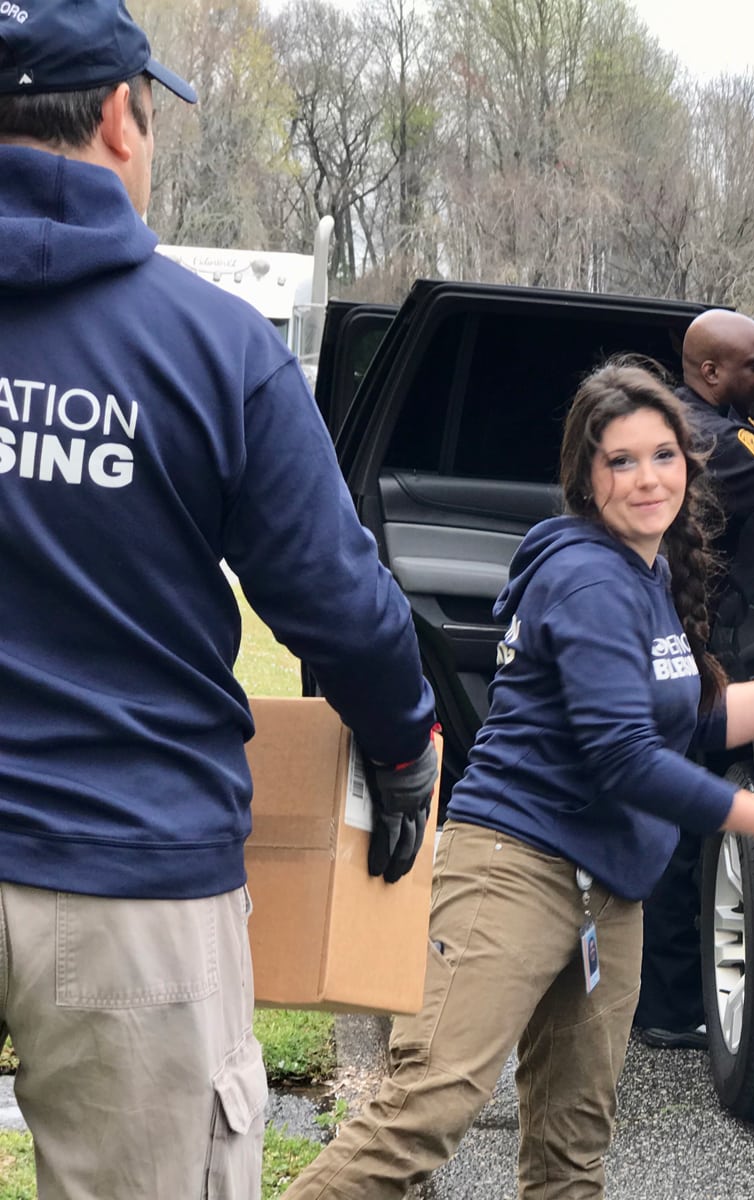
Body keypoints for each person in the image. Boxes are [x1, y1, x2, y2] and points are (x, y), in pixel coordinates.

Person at [0, 4, 438, 1197]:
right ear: (116, 118)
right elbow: (337, 601)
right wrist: (401, 745)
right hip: (130, 872)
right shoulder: (214, 346)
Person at [285, 361, 754, 1198]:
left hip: (604, 890)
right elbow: (624, 757)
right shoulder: (586, 577)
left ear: (689, 461)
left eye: (663, 455)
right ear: (585, 475)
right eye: (621, 461)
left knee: (573, 1149)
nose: (648, 478)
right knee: (421, 1116)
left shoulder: (647, 574)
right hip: (512, 868)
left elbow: (692, 722)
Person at [630, 310, 754, 1049]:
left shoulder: (661, 428)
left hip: (654, 645)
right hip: (681, 657)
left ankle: (648, 996)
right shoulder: (720, 443)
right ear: (711, 373)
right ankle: (664, 1006)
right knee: (680, 829)